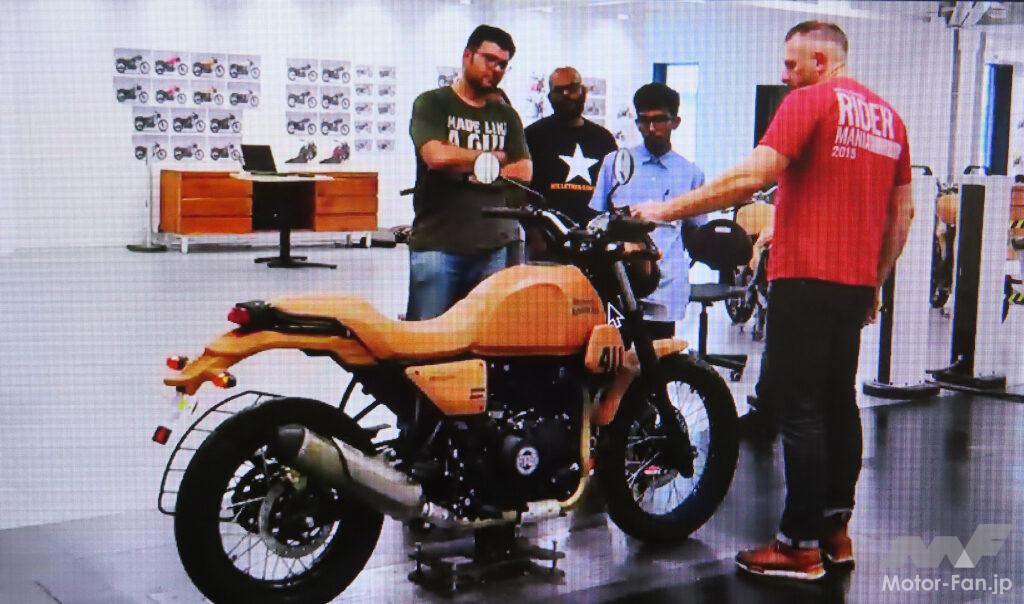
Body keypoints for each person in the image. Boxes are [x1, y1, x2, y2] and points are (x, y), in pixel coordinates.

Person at [633, 21, 915, 581]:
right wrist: (875, 282)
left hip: (805, 279)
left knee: (800, 410)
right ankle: (835, 532)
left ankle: (798, 545)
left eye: (790, 64)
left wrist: (663, 210)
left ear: (819, 60)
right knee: (839, 403)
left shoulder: (809, 102)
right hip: (852, 284)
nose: (784, 75)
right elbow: (901, 213)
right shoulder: (889, 118)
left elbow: (750, 177)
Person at [406, 25, 532, 320]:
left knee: (487, 336)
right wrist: (493, 159)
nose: (496, 69)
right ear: (467, 56)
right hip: (438, 246)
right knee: (428, 337)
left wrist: (468, 164)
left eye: (503, 65)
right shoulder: (433, 103)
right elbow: (436, 156)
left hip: (494, 247)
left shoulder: (506, 116)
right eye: (489, 59)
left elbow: (524, 170)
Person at [590, 82, 707, 338]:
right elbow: (596, 219)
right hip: (620, 283)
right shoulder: (615, 163)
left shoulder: (690, 173)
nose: (651, 128)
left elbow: (694, 232)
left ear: (675, 122)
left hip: (666, 286)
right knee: (616, 352)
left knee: (660, 355)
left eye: (659, 120)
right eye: (644, 120)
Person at [525, 67, 617, 235]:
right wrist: (534, 234)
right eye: (559, 90)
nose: (566, 95)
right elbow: (524, 193)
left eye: (572, 88)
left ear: (583, 92)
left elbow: (614, 193)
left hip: (595, 237)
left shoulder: (604, 140)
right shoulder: (532, 136)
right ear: (550, 97)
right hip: (547, 238)